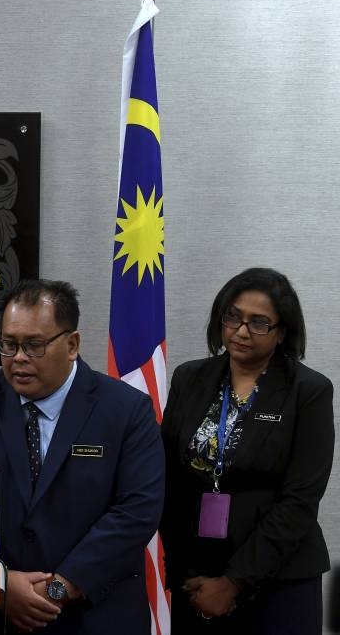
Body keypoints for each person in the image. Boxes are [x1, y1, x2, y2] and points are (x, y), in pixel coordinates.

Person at [0, 279, 165, 634]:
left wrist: (61, 587)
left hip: (95, 615)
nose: (19, 358)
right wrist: (1, 582)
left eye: (34, 345)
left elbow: (137, 510)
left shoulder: (126, 410)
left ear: (72, 344)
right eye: (9, 345)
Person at [160, 268, 334, 633]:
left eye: (259, 323)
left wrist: (234, 582)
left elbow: (300, 501)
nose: (240, 331)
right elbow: (169, 481)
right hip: (198, 578)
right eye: (233, 316)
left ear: (282, 331)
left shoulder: (309, 391)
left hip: (280, 579)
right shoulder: (189, 377)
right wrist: (182, 571)